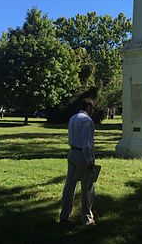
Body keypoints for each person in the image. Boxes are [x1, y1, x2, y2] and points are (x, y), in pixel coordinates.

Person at [59, 97, 96, 227]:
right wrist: (89, 160)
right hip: (82, 155)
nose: (93, 111)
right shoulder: (87, 121)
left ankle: (64, 215)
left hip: (72, 153)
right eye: (93, 108)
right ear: (89, 107)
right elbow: (87, 144)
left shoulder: (72, 118)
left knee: (69, 186)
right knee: (88, 187)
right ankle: (87, 218)